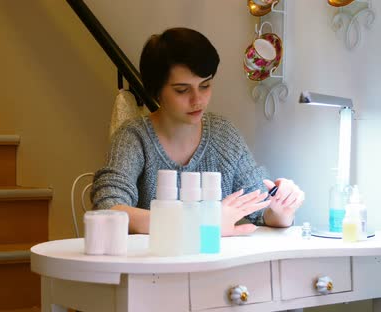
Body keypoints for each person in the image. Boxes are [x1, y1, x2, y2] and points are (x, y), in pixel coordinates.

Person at [91, 27, 304, 236]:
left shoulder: (224, 135)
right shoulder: (134, 137)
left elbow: (262, 210)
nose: (197, 100)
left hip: (213, 267)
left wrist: (282, 209)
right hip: (154, 267)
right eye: (182, 90)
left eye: (205, 85)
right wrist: (201, 221)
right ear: (157, 91)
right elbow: (108, 209)